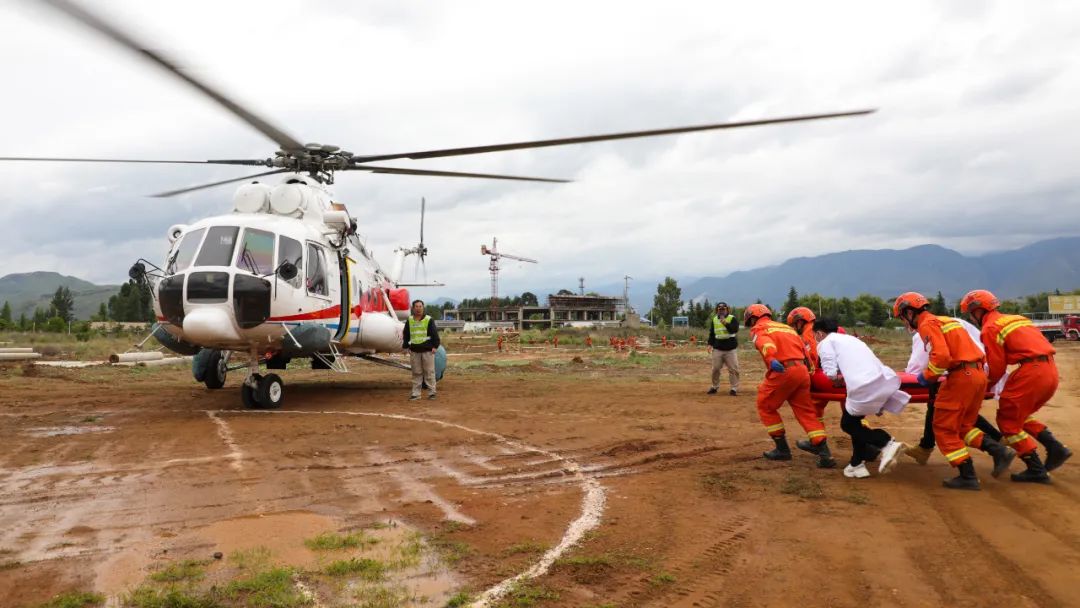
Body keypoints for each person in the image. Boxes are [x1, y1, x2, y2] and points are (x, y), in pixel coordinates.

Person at [893, 292, 1014, 490]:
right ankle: (999, 451)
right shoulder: (946, 321)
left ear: (908, 311)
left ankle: (967, 475)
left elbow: (940, 357)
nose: (905, 322)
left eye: (902, 317)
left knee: (942, 427)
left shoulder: (927, 325)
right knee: (964, 425)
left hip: (961, 377)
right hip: (977, 375)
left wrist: (928, 376)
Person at [961, 289, 1072, 482]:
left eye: (971, 314)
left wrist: (982, 387)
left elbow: (996, 368)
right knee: (1020, 415)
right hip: (1049, 370)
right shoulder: (1017, 319)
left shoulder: (990, 328)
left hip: (1031, 372)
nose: (971, 319)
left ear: (977, 311)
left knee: (1007, 421)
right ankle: (1055, 448)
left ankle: (1036, 468)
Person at [813, 318, 908, 478]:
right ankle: (856, 465)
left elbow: (829, 371)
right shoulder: (851, 339)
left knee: (848, 424)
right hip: (883, 381)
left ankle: (885, 442)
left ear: (820, 333)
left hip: (863, 387)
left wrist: (836, 380)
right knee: (856, 423)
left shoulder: (826, 342)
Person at [744, 303, 836, 468]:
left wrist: (771, 359)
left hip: (783, 370)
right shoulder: (786, 328)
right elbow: (805, 351)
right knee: (806, 411)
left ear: (752, 318)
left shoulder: (759, 328)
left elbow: (765, 344)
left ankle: (782, 449)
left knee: (765, 405)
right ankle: (824, 453)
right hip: (802, 371)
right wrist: (808, 370)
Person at [903, 317, 1004, 465]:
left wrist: (925, 375)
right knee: (962, 418)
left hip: (958, 376)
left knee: (944, 424)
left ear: (909, 313)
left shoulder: (925, 329)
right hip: (979, 372)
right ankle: (999, 444)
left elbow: (918, 366)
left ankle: (971, 468)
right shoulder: (955, 323)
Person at [403, 299, 440, 401]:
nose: (418, 309)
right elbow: (406, 334)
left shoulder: (429, 320)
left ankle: (432, 393)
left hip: (427, 351)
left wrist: (435, 346)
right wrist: (406, 346)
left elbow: (434, 334)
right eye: (416, 306)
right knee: (416, 373)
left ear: (423, 308)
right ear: (413, 308)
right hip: (414, 351)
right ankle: (416, 394)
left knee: (429, 372)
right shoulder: (409, 320)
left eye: (420, 306)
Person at [707, 302, 740, 396]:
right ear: (717, 310)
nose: (721, 311)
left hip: (730, 349)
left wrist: (725, 322)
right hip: (718, 348)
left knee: (733, 369)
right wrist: (710, 344)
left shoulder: (732, 318)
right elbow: (712, 334)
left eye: (723, 309)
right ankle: (714, 386)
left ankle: (734, 388)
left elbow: (734, 330)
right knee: (715, 369)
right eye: (719, 310)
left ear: (727, 310)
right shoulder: (714, 320)